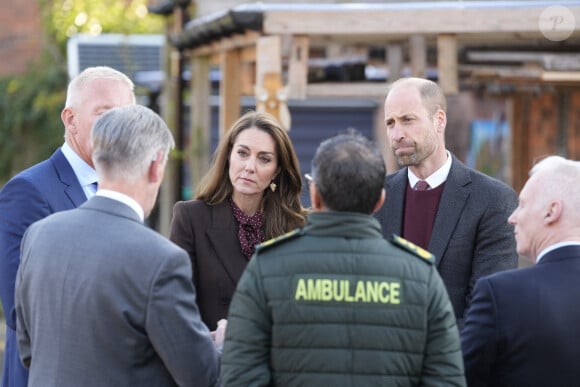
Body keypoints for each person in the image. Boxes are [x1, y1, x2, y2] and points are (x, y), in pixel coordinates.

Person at [220, 130, 466, 386]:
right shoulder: (420, 276)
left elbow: (240, 377)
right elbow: (446, 380)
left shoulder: (267, 267)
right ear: (380, 201)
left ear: (314, 196)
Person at [15, 104, 222, 387]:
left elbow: (30, 351)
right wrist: (224, 344)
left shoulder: (38, 235)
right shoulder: (162, 259)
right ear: (155, 165)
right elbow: (202, 375)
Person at [0, 66, 135, 387]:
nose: (117, 127)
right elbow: (23, 311)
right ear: (70, 119)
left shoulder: (127, 192)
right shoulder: (28, 192)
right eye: (104, 114)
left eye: (126, 116)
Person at [375, 77, 518, 326]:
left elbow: (490, 307)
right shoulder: (376, 197)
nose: (397, 134)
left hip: (455, 359)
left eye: (408, 120)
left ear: (439, 120)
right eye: (390, 123)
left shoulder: (492, 200)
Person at [169, 110, 307, 330]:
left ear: (276, 171)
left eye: (264, 159)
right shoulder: (191, 218)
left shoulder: (298, 228)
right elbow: (177, 307)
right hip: (216, 357)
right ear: (229, 156)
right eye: (243, 153)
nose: (249, 167)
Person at [461, 155, 580, 387]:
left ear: (551, 211)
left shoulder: (501, 294)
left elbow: (457, 380)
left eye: (523, 205)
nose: (512, 218)